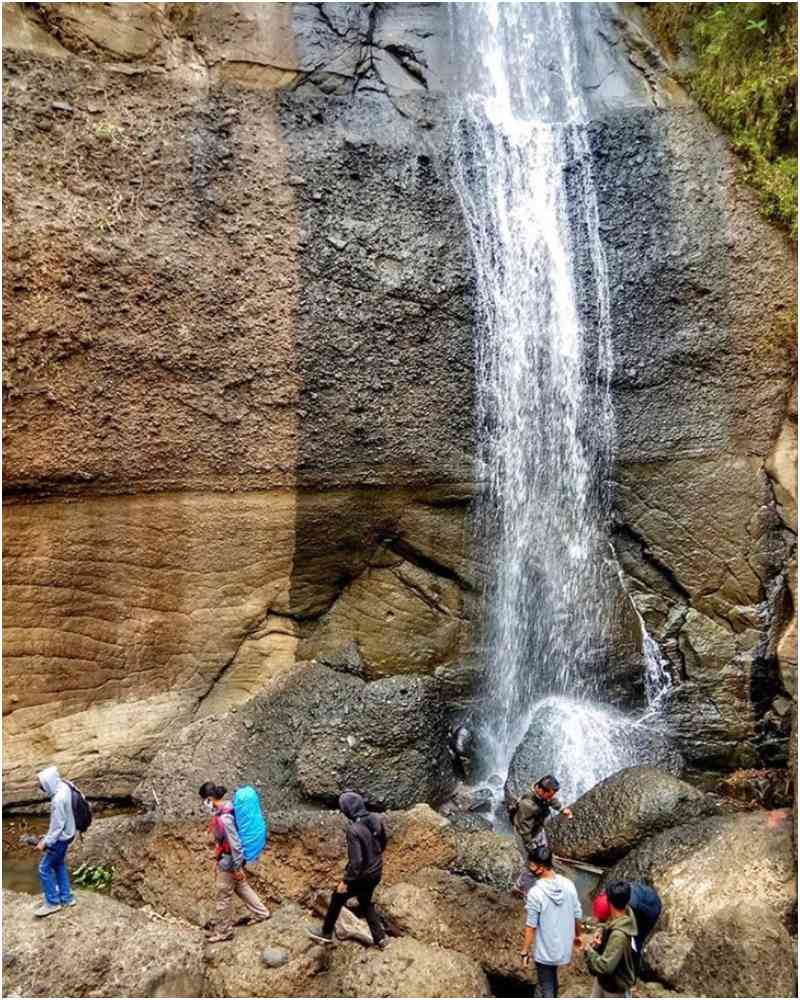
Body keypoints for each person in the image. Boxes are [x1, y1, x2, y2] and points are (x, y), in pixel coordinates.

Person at [306, 791, 388, 948]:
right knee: (365, 901)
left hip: (362, 875)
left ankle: (326, 933)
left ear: (348, 810)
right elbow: (383, 843)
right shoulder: (376, 819)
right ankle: (381, 938)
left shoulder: (354, 830)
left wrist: (346, 881)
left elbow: (356, 861)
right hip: (376, 871)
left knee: (337, 897)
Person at [199, 781, 271, 943]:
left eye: (204, 801)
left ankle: (224, 931)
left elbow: (235, 844)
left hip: (230, 860)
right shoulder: (229, 807)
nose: (204, 804)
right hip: (232, 859)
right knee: (240, 886)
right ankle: (261, 913)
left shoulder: (224, 818)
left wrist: (237, 866)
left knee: (223, 894)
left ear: (209, 798)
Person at [520, 846, 583, 998]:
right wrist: (578, 936)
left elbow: (531, 926)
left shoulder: (536, 893)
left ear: (540, 868)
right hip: (563, 949)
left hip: (545, 951)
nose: (530, 868)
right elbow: (577, 914)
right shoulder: (568, 884)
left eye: (532, 865)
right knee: (549, 981)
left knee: (546, 986)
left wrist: (525, 951)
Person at [508, 775, 574, 895]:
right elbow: (524, 831)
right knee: (532, 864)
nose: (552, 797)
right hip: (526, 835)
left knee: (544, 853)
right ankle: (520, 888)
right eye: (550, 794)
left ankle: (545, 871)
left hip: (537, 829)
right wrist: (532, 848)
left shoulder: (542, 793)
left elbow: (550, 800)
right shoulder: (527, 805)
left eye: (553, 794)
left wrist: (561, 809)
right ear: (541, 790)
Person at [583, 880, 639, 998]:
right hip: (604, 981)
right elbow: (611, 922)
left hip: (615, 987)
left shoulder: (619, 935)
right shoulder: (627, 912)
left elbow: (605, 967)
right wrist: (602, 929)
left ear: (609, 902)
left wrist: (588, 950)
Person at [34, 765, 77, 918]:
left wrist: (44, 842)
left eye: (42, 784)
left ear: (49, 783)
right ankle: (67, 898)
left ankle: (52, 903)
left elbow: (57, 827)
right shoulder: (64, 786)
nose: (42, 788)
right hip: (70, 833)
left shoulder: (58, 800)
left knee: (44, 868)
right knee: (58, 864)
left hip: (61, 838)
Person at [593, 881, 662, 973]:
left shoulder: (630, 908)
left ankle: (632, 970)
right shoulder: (609, 893)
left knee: (636, 939)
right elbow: (603, 919)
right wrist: (600, 928)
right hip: (637, 894)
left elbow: (626, 927)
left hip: (650, 908)